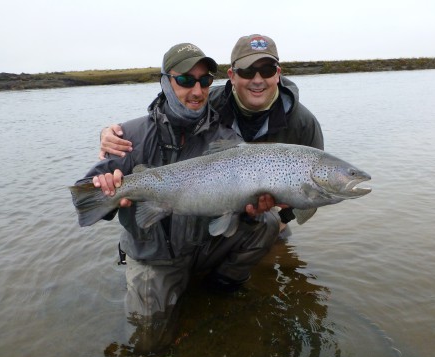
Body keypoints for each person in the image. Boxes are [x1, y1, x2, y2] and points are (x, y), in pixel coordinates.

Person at [73, 42, 282, 354]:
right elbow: (83, 194)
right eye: (185, 80)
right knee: (149, 345)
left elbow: (244, 207)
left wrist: (252, 209)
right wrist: (107, 189)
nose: (196, 90)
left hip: (200, 246)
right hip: (154, 256)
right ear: (165, 82)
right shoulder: (129, 136)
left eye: (204, 81)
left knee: (268, 221)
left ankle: (218, 289)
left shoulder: (225, 139)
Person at [100, 34, 324, 227]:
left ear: (278, 73)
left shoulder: (304, 123)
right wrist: (111, 133)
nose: (257, 80)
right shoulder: (207, 102)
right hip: (207, 201)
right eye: (247, 71)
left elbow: (311, 193)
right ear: (232, 75)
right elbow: (165, 113)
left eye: (266, 70)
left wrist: (283, 219)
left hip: (263, 211)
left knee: (271, 235)